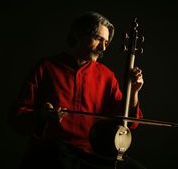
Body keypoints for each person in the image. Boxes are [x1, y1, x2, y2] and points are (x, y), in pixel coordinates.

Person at [8, 11, 146, 169]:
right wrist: (42, 116)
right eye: (98, 39)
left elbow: (127, 122)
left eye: (106, 42)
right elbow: (17, 116)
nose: (103, 48)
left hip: (93, 153)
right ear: (79, 35)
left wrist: (134, 91)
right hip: (55, 150)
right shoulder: (46, 68)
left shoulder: (107, 76)